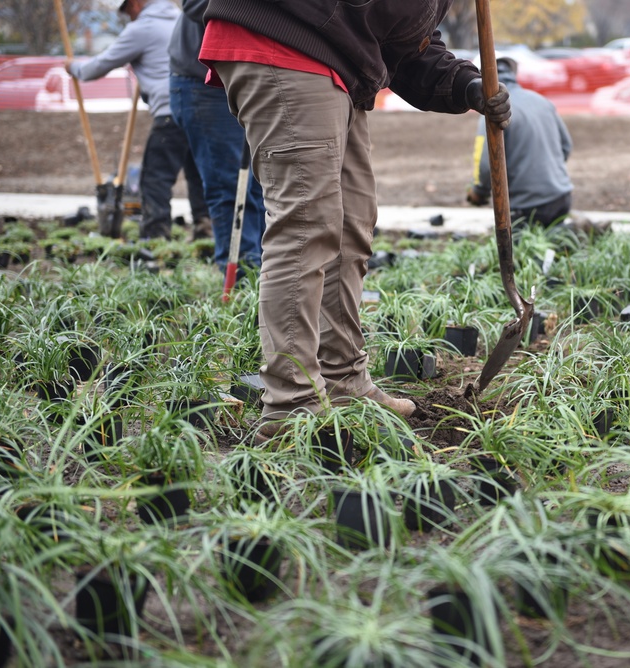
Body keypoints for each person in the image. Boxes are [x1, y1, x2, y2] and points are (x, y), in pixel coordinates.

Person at [197, 0, 511, 441]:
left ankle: (343, 380)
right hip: (286, 35)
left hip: (335, 60)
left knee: (351, 224)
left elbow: (406, 46)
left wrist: (466, 85)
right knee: (307, 224)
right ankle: (291, 404)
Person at [68, 0, 211, 241]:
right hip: (198, 107)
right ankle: (205, 231)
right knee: (197, 172)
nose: (128, 16)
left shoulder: (142, 29)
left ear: (136, 3)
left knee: (155, 177)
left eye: (127, 10)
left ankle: (155, 239)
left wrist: (74, 68)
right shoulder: (179, 18)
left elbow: (100, 65)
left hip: (169, 110)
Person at [169, 0, 265, 271]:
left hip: (240, 81)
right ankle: (240, 275)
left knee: (255, 185)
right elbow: (195, 6)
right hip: (204, 85)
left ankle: (258, 273)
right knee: (231, 186)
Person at [466, 57, 573, 230]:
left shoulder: (493, 113)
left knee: (523, 255)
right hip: (561, 197)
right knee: (553, 249)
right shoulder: (542, 101)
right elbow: (566, 147)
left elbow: (485, 166)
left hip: (526, 206)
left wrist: (478, 192)